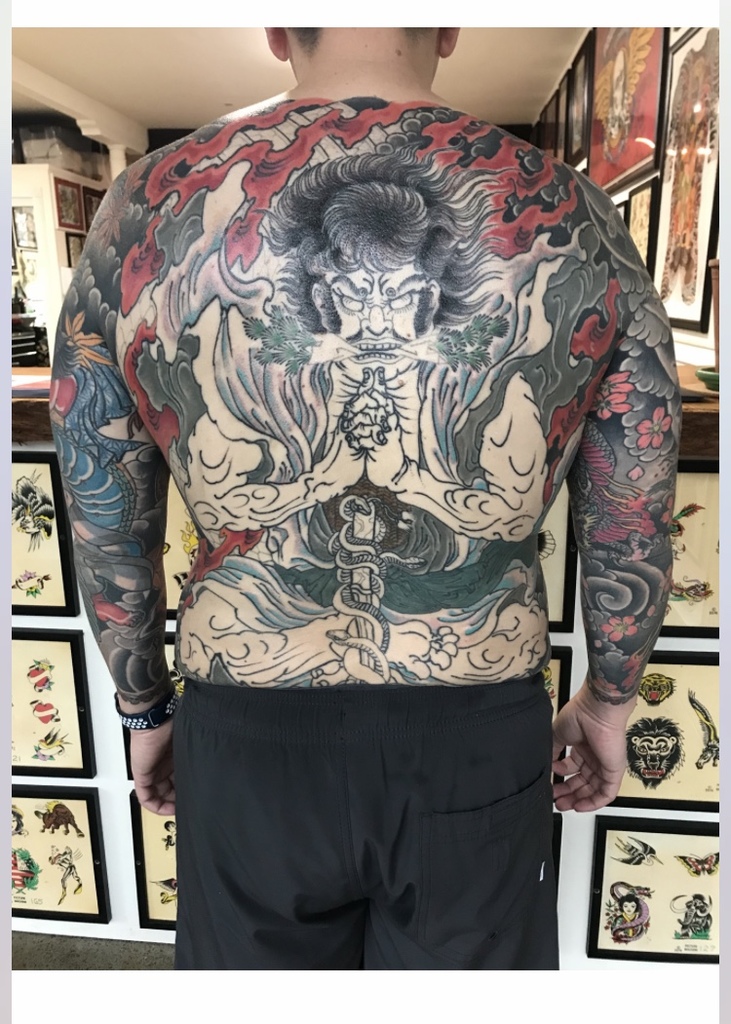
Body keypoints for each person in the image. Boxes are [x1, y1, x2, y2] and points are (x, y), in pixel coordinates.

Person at [50, 27, 680, 970]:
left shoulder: (144, 208)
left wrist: (143, 710)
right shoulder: (577, 214)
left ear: (276, 28)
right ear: (449, 25)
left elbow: (101, 493)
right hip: (472, 719)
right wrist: (607, 704)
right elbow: (634, 498)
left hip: (248, 717)